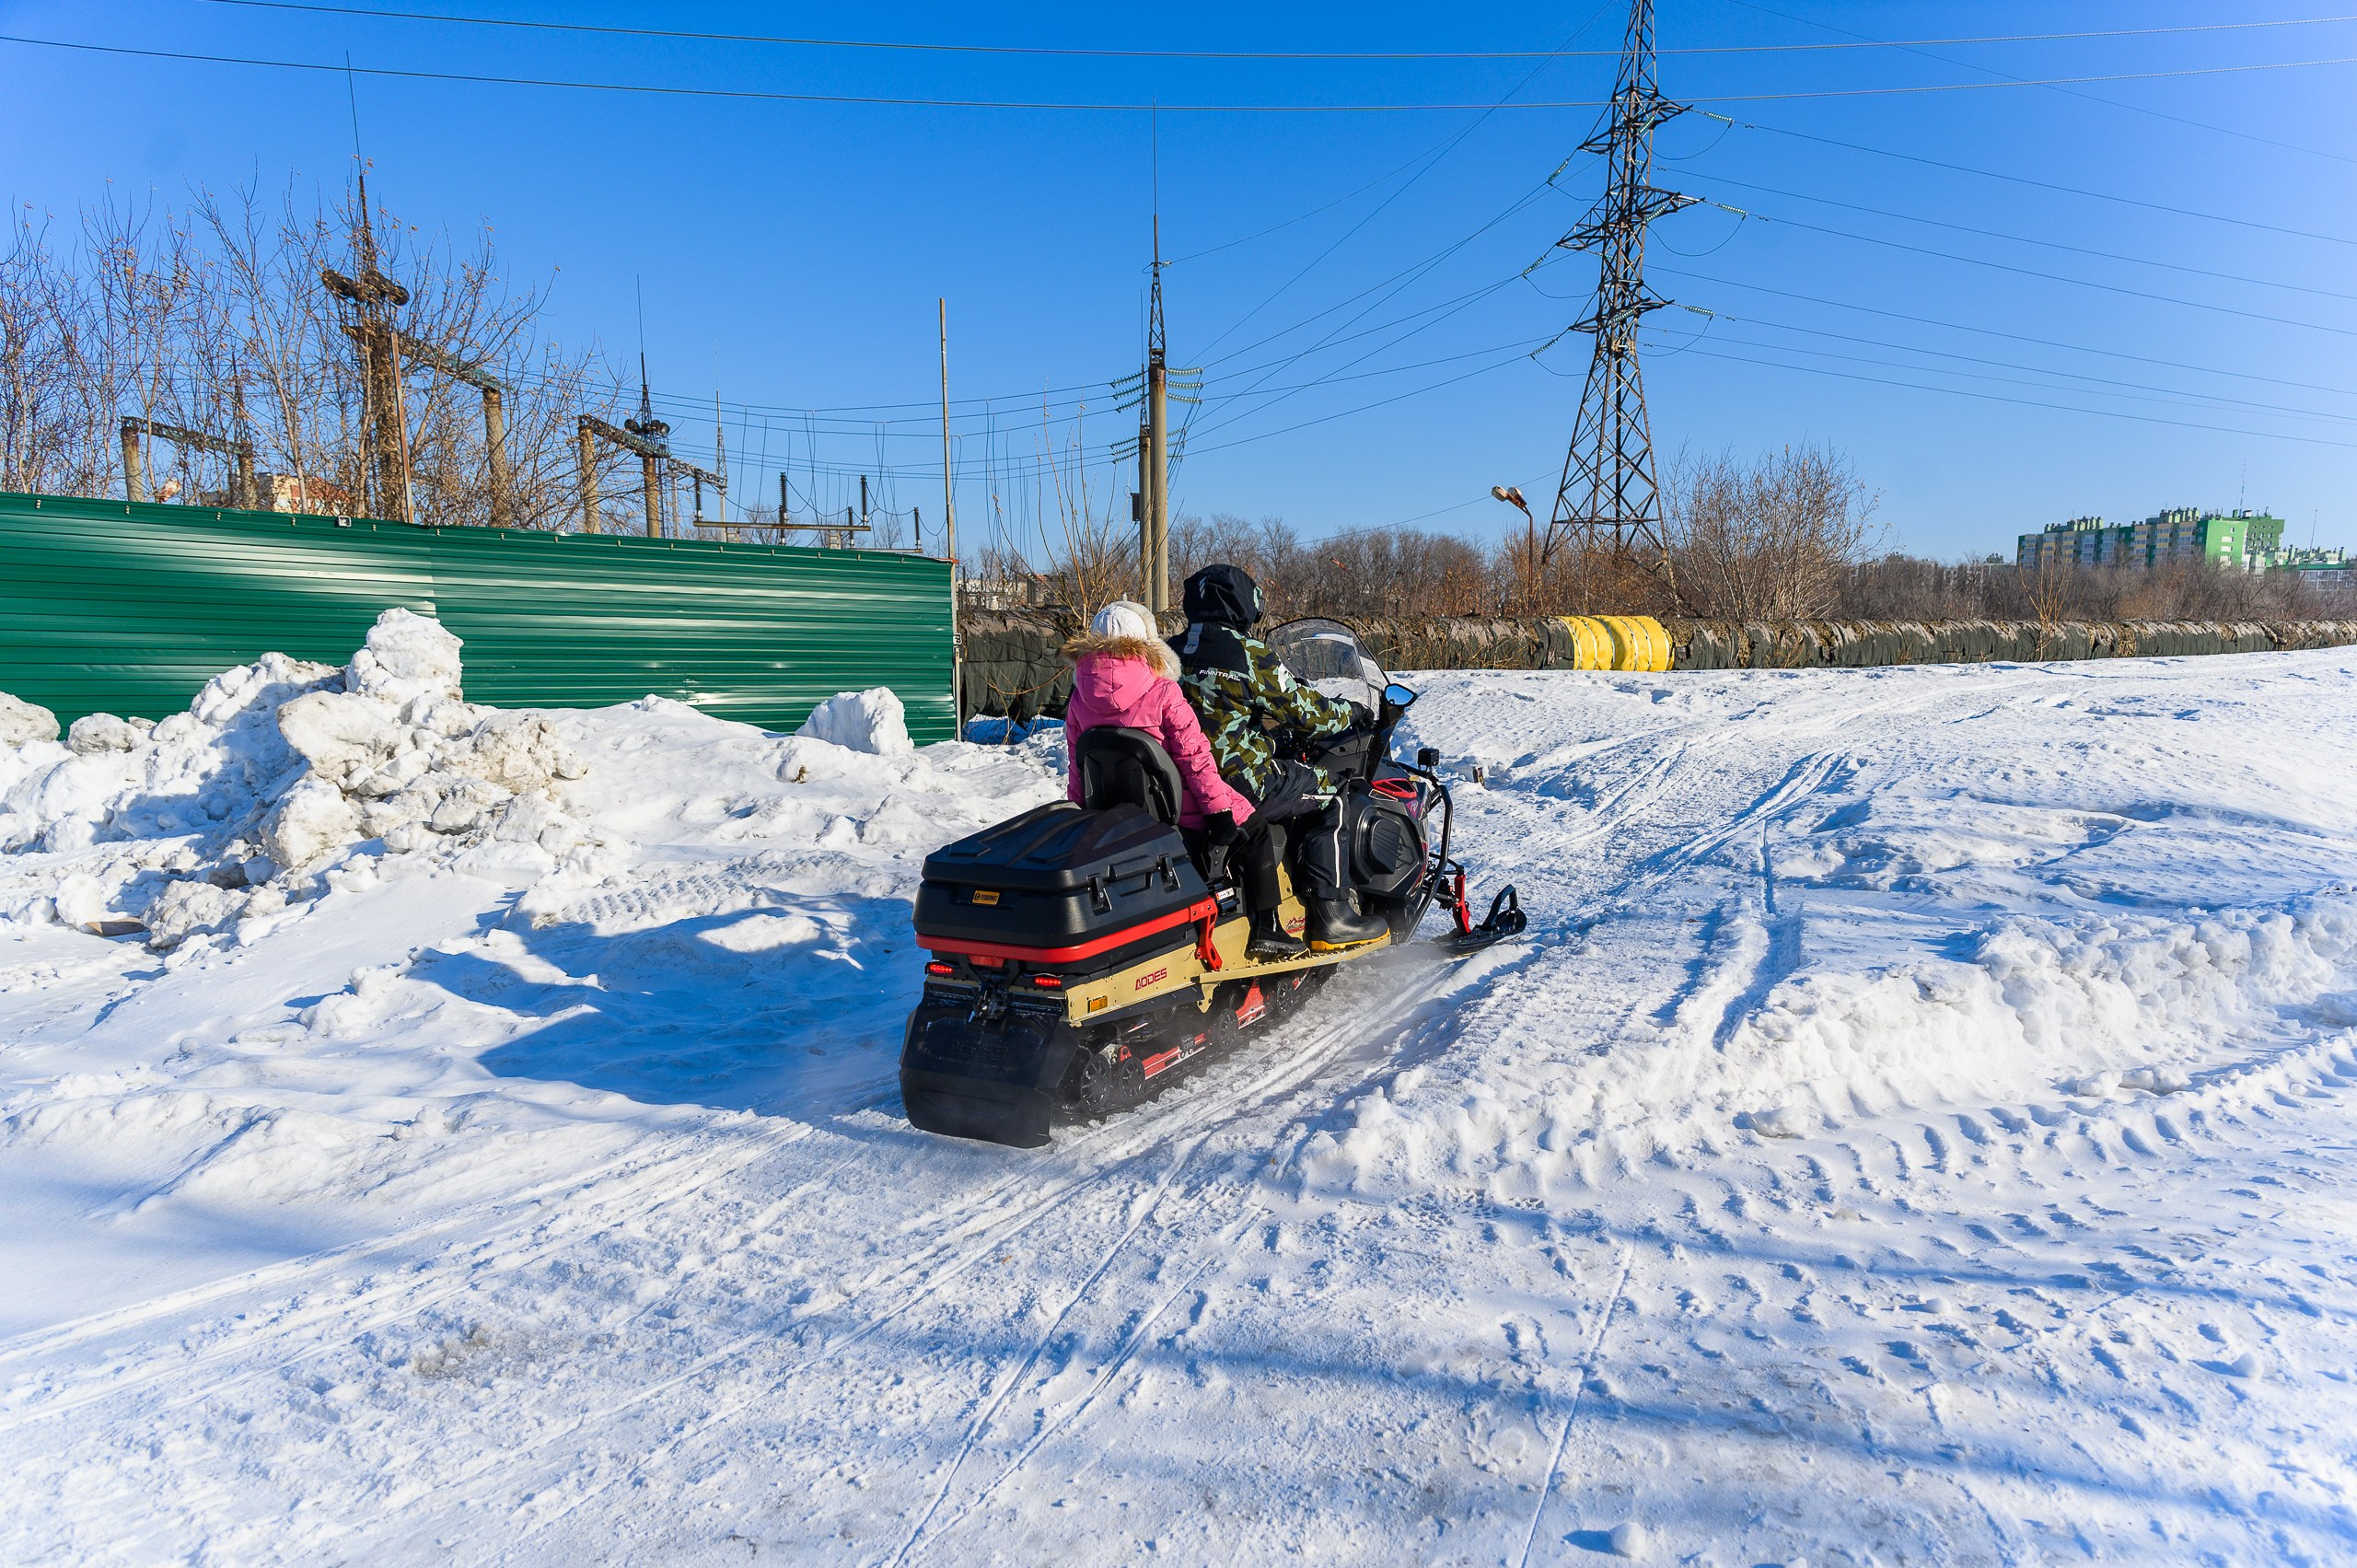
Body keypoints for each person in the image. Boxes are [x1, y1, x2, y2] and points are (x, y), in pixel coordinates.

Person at [1169, 563, 1387, 955]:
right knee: (1332, 793)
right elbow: (1307, 712)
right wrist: (1351, 711)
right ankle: (1330, 915)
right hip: (1240, 784)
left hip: (1182, 788)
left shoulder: (1169, 651)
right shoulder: (1246, 654)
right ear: (1241, 603)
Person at [1061, 600, 1257, 856]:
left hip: (1111, 818)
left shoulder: (1078, 699)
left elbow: (1078, 768)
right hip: (1178, 814)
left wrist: (1080, 816)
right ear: (1146, 641)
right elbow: (1194, 758)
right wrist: (1219, 813)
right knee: (1259, 832)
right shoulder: (1164, 691)